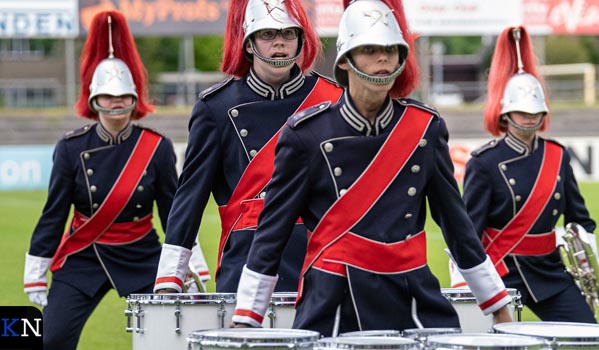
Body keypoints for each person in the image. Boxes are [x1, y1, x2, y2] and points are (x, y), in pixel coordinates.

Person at [231, 0, 513, 336]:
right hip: (333, 297)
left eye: (390, 50)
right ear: (346, 61)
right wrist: (247, 315)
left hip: (411, 294)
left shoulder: (425, 129)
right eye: (369, 50)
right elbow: (273, 230)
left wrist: (497, 305)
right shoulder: (307, 134)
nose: (382, 59)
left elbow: (456, 223)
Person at [20, 11, 207, 350]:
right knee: (49, 339)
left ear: (135, 100)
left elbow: (174, 211)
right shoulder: (70, 148)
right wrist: (36, 270)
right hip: (84, 254)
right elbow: (54, 212)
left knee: (171, 338)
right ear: (94, 101)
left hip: (143, 254)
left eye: (123, 96)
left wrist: (190, 265)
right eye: (108, 97)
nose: (116, 102)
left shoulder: (157, 147)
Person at [153, 0, 342, 294]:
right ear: (249, 43)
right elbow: (190, 197)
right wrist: (170, 276)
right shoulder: (216, 107)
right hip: (247, 259)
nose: (279, 42)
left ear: (301, 40)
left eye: (289, 34)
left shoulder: (333, 98)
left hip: (322, 257)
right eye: (267, 34)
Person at [456, 26, 597, 323]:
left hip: (549, 272)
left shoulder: (557, 156)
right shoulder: (485, 162)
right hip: (500, 272)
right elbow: (468, 231)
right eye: (522, 110)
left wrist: (587, 248)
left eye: (535, 111)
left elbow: (579, 217)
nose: (530, 116)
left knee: (586, 333)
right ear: (506, 114)